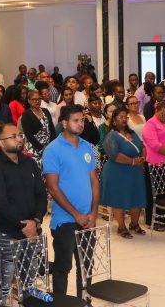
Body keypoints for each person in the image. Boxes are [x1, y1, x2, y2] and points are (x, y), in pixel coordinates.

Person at [0, 123, 47, 305]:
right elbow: (1, 203)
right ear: (1, 143)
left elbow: (41, 194)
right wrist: (24, 226)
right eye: (13, 136)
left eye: (20, 135)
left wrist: (36, 220)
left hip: (32, 231)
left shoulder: (30, 163)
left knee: (30, 279)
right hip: (7, 233)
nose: (19, 139)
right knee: (3, 285)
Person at [43, 104, 99, 297]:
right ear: (65, 123)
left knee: (86, 266)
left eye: (82, 120)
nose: (81, 124)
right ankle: (61, 302)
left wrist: (93, 213)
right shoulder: (53, 149)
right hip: (65, 220)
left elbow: (94, 181)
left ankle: (84, 301)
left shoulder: (86, 146)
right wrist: (76, 215)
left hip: (87, 218)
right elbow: (52, 187)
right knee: (63, 267)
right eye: (76, 120)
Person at [100, 108, 146, 238]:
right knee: (118, 199)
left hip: (135, 172)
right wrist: (132, 161)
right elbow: (114, 155)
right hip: (117, 172)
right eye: (121, 117)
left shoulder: (133, 133)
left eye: (126, 117)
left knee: (137, 197)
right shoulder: (111, 136)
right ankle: (121, 227)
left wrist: (143, 158)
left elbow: (142, 146)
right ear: (114, 121)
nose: (124, 119)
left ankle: (134, 224)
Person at [142, 101, 165, 230]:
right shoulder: (150, 124)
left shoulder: (164, 122)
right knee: (154, 193)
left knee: (164, 193)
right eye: (163, 113)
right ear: (156, 111)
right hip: (154, 162)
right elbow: (155, 145)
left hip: (164, 162)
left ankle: (163, 219)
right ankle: (152, 220)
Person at [21, 89, 56, 168]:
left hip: (48, 146)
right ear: (29, 101)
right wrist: (41, 148)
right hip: (34, 147)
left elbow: (52, 129)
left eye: (39, 99)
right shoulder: (26, 115)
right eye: (34, 99)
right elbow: (28, 135)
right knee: (38, 169)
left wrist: (51, 145)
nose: (37, 101)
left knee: (48, 168)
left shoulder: (45, 111)